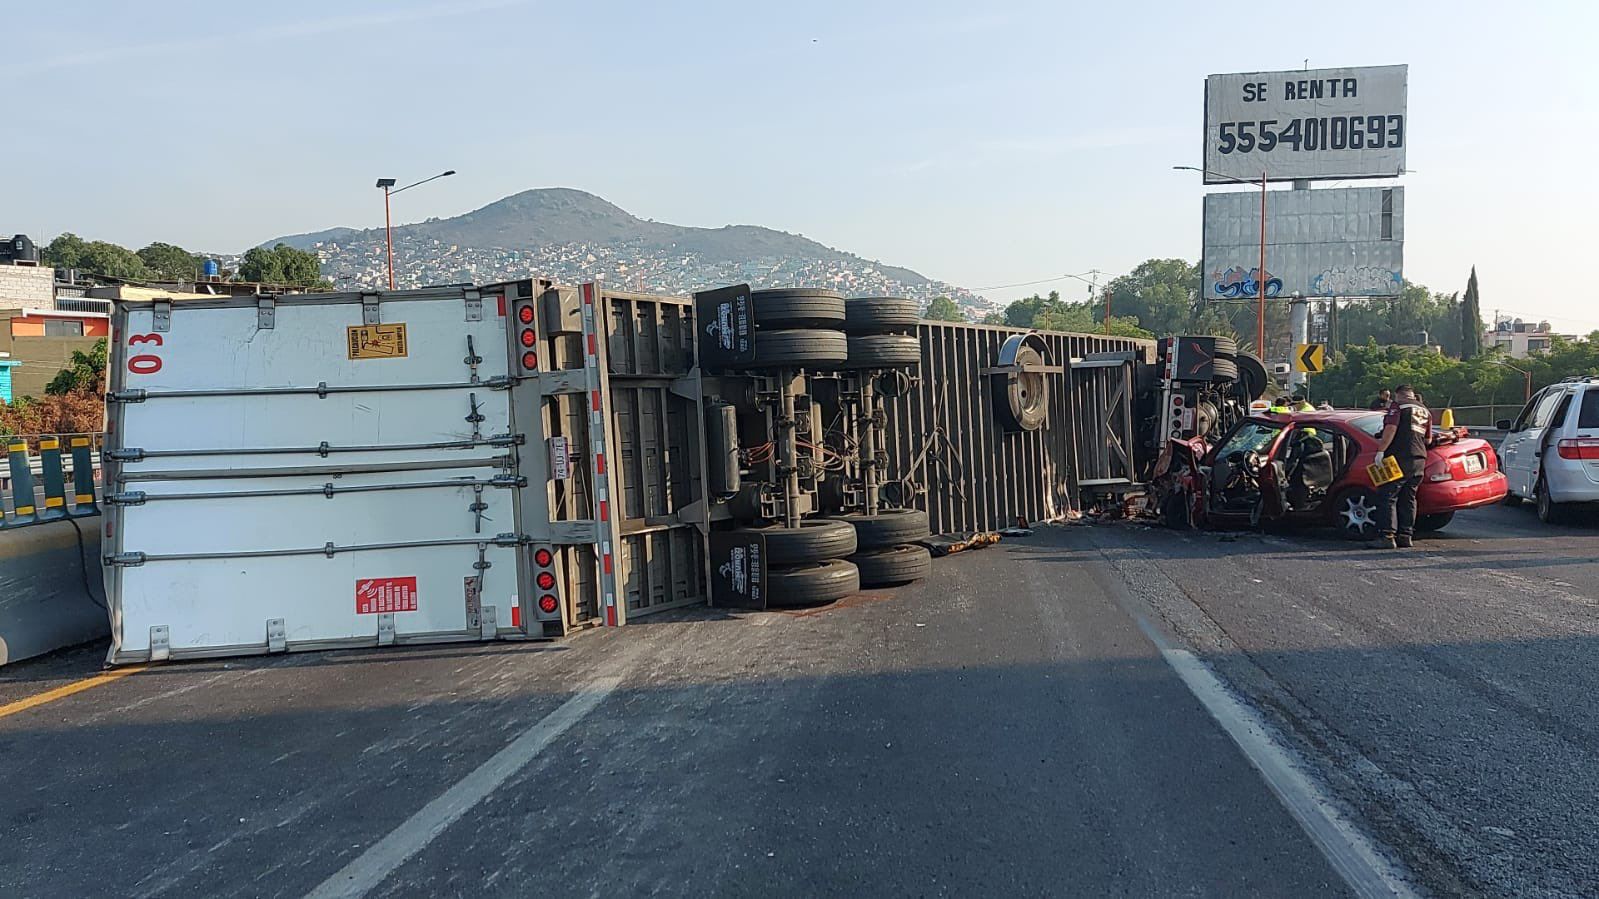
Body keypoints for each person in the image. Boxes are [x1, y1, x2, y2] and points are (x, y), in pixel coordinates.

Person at [1369, 384, 1432, 550]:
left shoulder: (1398, 406)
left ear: (1398, 395)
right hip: (1419, 458)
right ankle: (1405, 535)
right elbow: (1428, 440)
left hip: (1399, 458)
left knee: (1387, 496)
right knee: (1409, 498)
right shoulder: (1425, 410)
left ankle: (1387, 536)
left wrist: (1381, 451)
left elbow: (1390, 429)